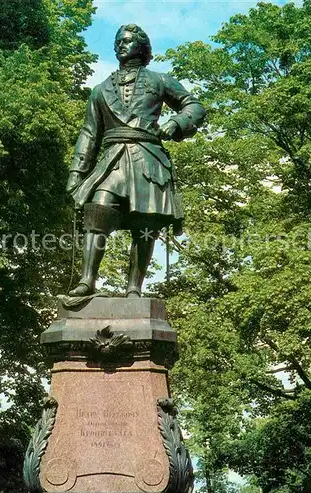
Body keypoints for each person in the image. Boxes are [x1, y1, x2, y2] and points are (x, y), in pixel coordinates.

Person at [66, 24, 206, 297]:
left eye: (128, 40)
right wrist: (76, 173)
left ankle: (134, 288)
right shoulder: (100, 90)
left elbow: (195, 106)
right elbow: (88, 134)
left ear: (141, 47)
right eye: (118, 40)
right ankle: (87, 280)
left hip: (147, 158)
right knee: (98, 209)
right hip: (113, 159)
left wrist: (177, 123)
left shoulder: (159, 80)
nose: (121, 44)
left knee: (145, 223)